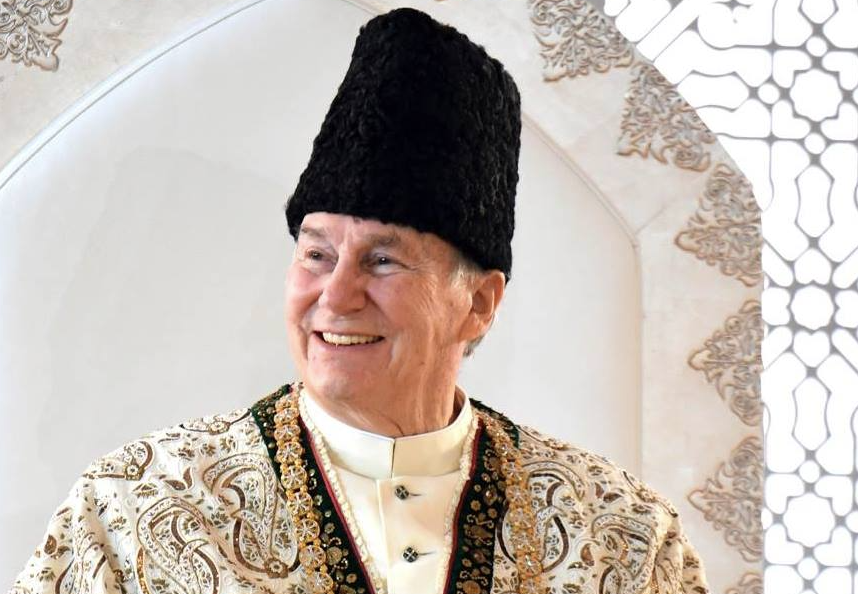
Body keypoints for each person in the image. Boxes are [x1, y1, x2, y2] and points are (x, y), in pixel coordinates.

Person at [9, 7, 709, 594]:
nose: (336, 297)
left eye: (383, 260)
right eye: (316, 255)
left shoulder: (620, 534)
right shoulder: (135, 510)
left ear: (479, 303)